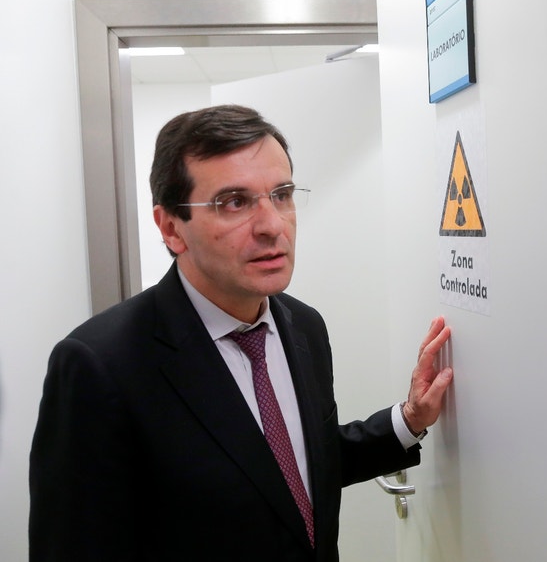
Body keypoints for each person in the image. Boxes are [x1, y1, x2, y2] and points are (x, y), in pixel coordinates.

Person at [29, 104, 453, 561]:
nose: (272, 226)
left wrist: (409, 419)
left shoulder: (304, 326)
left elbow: (290, 471)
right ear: (171, 228)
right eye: (234, 202)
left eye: (282, 194)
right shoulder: (100, 365)